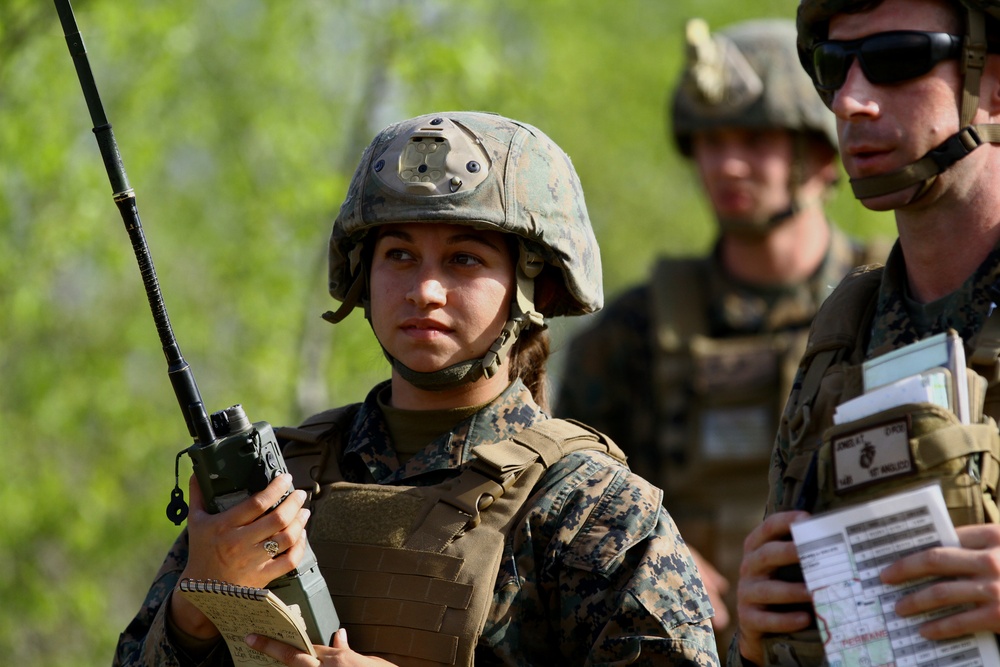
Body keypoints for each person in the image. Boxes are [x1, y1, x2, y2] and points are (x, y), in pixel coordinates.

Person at [113, 111, 722, 666]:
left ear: (533, 286)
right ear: (363, 277)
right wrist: (197, 605)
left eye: (464, 260)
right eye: (399, 255)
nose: (424, 290)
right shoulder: (275, 484)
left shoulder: (591, 509)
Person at [555, 17, 884, 660]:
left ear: (819, 156)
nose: (726, 163)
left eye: (755, 139)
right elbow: (558, 501)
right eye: (710, 141)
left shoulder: (894, 304)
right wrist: (644, 552)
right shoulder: (635, 332)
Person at [728, 0, 1000, 665]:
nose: (851, 100)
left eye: (895, 60)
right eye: (834, 67)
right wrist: (758, 639)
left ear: (993, 86)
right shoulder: (842, 335)